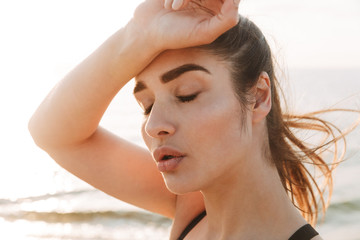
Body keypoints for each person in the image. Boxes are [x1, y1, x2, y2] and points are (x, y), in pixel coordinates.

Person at [29, 0, 356, 239]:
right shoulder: (193, 210)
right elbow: (52, 133)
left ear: (258, 96)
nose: (153, 124)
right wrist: (140, 34)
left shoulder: (189, 208)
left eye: (186, 94)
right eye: (146, 104)